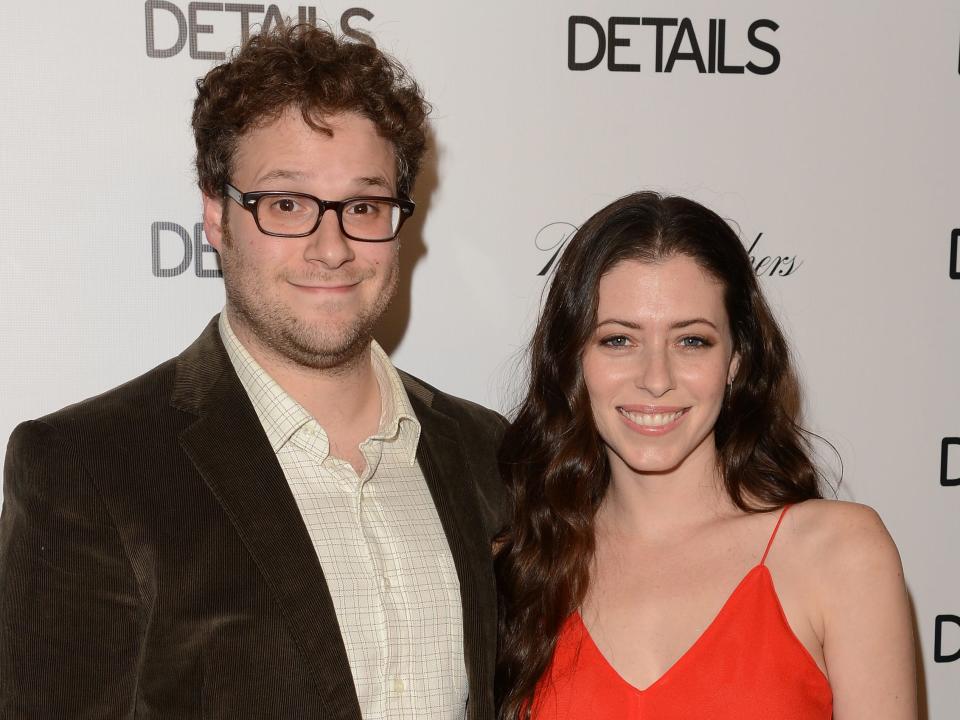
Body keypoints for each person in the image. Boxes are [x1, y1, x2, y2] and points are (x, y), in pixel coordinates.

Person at [0, 24, 505, 719]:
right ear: (216, 215)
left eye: (363, 206)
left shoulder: (488, 453)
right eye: (287, 204)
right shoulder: (89, 470)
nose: (331, 248)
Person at [495, 192, 916, 719]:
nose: (656, 379)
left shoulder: (837, 554)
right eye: (618, 340)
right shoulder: (522, 570)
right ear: (573, 360)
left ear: (737, 359)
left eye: (692, 341)